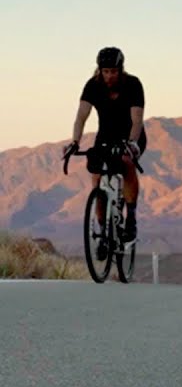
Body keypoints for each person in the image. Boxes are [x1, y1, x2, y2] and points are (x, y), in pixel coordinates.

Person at [63, 46, 147, 241]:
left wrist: (132, 144)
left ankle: (131, 217)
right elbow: (81, 117)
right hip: (106, 136)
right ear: (100, 70)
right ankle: (101, 226)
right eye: (106, 71)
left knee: (126, 162)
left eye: (114, 72)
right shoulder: (93, 85)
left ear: (121, 70)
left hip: (131, 135)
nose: (109, 76)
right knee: (97, 175)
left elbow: (137, 120)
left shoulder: (133, 84)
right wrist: (75, 141)